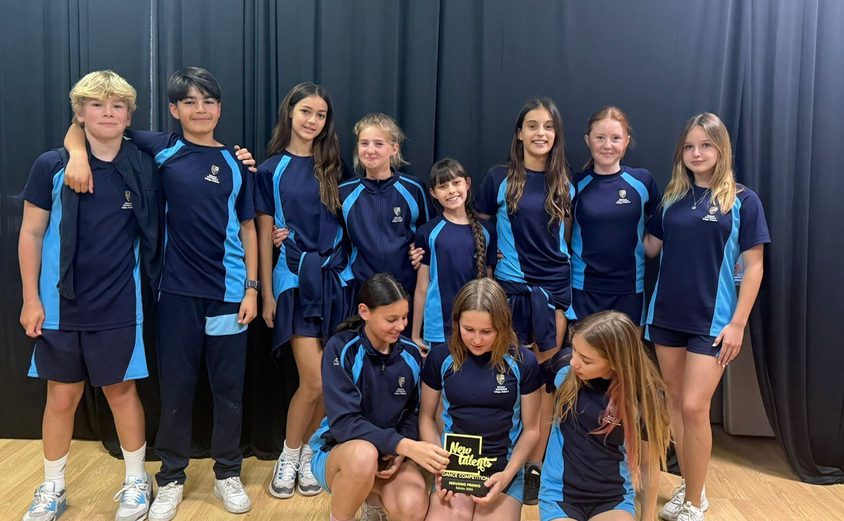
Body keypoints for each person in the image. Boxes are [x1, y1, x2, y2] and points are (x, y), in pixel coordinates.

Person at [63, 67, 259, 520]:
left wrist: (251, 287)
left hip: (230, 293)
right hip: (174, 293)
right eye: (188, 102)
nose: (200, 109)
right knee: (177, 388)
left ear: (220, 108)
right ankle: (171, 477)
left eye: (208, 101)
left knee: (228, 390)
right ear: (173, 110)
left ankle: (228, 471)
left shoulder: (236, 160)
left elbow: (249, 228)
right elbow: (90, 122)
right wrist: (75, 153)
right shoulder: (163, 147)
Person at [18, 70, 160, 521]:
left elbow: (197, 148)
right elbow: (32, 231)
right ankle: (52, 487)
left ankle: (137, 479)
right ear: (79, 113)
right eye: (97, 105)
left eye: (117, 105)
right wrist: (30, 299)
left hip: (119, 302)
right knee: (61, 396)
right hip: (60, 304)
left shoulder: (144, 162)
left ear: (129, 114)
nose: (108, 113)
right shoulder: (51, 164)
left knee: (121, 392)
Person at [643, 113, 770, 521]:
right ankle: (690, 486)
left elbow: (754, 266)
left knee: (696, 406)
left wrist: (738, 324)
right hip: (665, 317)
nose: (697, 153)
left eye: (706, 145)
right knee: (676, 404)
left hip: (713, 323)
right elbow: (649, 248)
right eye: (689, 146)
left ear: (721, 149)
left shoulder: (743, 201)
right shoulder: (671, 198)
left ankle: (696, 500)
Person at [473, 97, 574, 503]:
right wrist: (490, 264)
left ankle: (534, 468)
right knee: (509, 378)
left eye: (548, 126)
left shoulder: (566, 182)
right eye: (532, 125)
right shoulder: (497, 178)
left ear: (556, 134)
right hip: (509, 291)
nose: (540, 134)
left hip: (552, 294)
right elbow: (476, 230)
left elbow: (571, 238)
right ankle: (502, 461)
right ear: (519, 133)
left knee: (544, 384)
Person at [254, 82, 351, 500]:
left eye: (321, 115)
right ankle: (288, 456)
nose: (313, 121)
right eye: (306, 112)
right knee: (312, 380)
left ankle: (311, 454)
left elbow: (354, 223)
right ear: (290, 113)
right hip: (292, 280)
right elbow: (261, 235)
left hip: (335, 280)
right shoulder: (269, 168)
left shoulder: (336, 166)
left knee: (331, 381)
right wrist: (265, 293)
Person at [308, 273, 451, 521]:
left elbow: (412, 412)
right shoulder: (341, 348)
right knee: (364, 456)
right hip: (342, 453)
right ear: (365, 311)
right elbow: (344, 424)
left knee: (412, 506)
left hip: (389, 455)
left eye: (405, 317)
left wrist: (400, 452)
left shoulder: (412, 354)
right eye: (391, 319)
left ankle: (374, 504)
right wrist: (402, 444)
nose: (401, 326)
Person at [420, 278, 542, 520]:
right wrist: (439, 464)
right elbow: (425, 418)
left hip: (503, 468)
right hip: (455, 468)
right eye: (469, 330)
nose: (477, 339)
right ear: (457, 323)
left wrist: (508, 475)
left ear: (503, 326)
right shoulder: (440, 358)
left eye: (486, 332)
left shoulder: (523, 362)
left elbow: (531, 430)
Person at [539, 311, 671, 521]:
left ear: (615, 362)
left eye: (586, 359)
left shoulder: (645, 395)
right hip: (560, 494)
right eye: (574, 350)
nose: (574, 362)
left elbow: (648, 466)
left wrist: (647, 518)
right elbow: (541, 419)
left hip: (612, 497)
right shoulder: (562, 367)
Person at [569, 106, 661, 324]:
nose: (607, 145)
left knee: (626, 358)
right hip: (584, 290)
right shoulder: (574, 184)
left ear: (626, 141)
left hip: (629, 291)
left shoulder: (642, 182)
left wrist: (649, 248)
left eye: (615, 138)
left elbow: (661, 224)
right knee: (584, 357)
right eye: (600, 137)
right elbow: (562, 236)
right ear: (588, 140)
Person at [338, 113, 432, 315]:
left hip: (406, 289)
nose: (370, 150)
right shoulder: (344, 193)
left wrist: (420, 250)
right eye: (364, 143)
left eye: (378, 144)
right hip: (362, 291)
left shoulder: (414, 188)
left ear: (394, 149)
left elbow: (431, 232)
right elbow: (333, 238)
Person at [411, 158, 496, 353]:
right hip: (439, 328)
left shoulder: (487, 230)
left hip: (476, 327)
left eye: (456, 183)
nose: (451, 190)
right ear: (433, 193)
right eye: (443, 186)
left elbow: (490, 282)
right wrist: (416, 333)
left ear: (467, 183)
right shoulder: (428, 232)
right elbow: (422, 286)